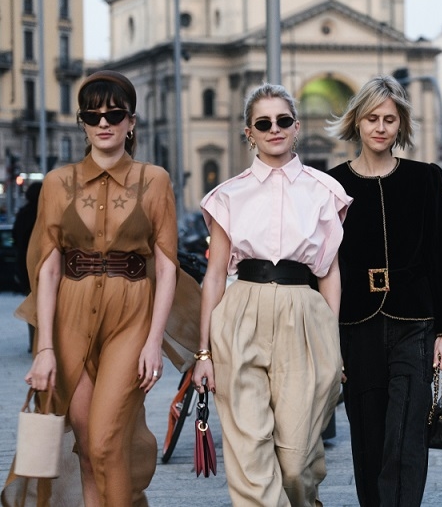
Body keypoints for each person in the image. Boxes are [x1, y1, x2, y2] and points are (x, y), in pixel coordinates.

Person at [5, 70, 178, 506]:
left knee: (105, 440)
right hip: (71, 315)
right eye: (93, 114)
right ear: (81, 122)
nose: (104, 123)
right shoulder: (58, 183)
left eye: (114, 114)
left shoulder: (154, 179)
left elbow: (168, 265)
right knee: (85, 444)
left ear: (131, 121)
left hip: (132, 314)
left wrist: (154, 341)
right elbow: (46, 268)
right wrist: (44, 347)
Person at [192, 82, 351, 506]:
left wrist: (331, 339)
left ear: (297, 127)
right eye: (263, 123)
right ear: (249, 132)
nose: (274, 129)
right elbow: (213, 276)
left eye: (283, 121)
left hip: (305, 313)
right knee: (249, 451)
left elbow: (330, 270)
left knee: (297, 461)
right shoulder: (228, 194)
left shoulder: (325, 191)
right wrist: (203, 353)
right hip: (242, 308)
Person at [326, 76, 442, 507]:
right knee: (367, 438)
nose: (381, 127)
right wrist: (328, 339)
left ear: (401, 125)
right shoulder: (331, 185)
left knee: (406, 438)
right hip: (356, 327)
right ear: (357, 123)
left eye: (389, 119)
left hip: (413, 325)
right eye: (372, 118)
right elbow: (323, 265)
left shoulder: (426, 179)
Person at [12, 181, 42, 352]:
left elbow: (16, 238)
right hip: (44, 263)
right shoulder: (45, 213)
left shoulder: (23, 214)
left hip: (25, 265)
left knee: (32, 305)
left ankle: (34, 343)